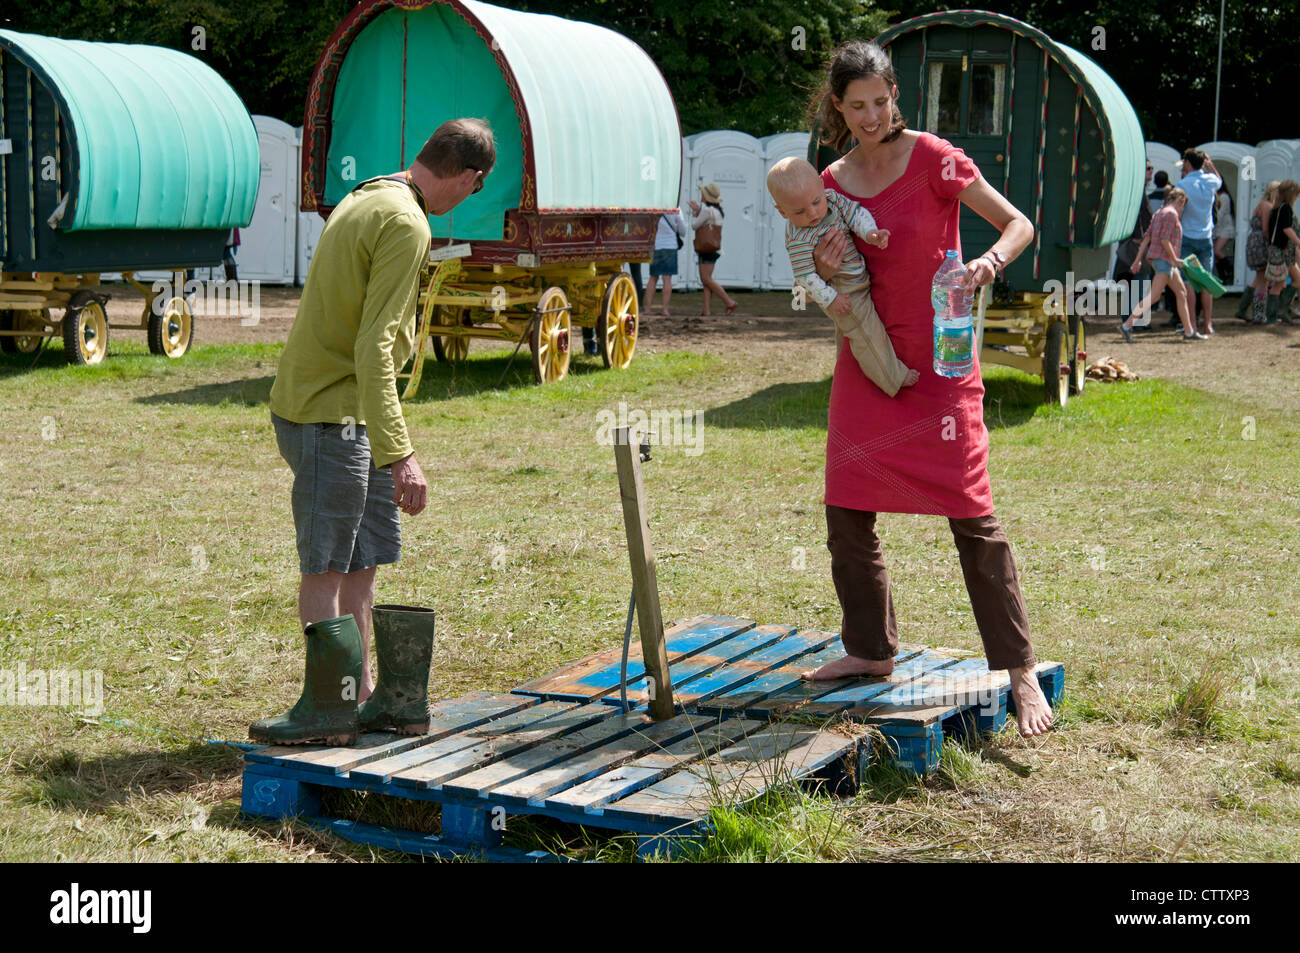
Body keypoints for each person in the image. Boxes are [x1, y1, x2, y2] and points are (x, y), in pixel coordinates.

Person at [798, 40, 1053, 737]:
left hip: (941, 358)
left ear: (894, 96)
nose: (873, 115)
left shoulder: (936, 157)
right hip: (871, 359)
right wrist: (824, 265)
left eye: (881, 101)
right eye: (858, 106)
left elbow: (1017, 224)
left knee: (974, 517)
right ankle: (869, 649)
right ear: (838, 108)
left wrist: (988, 263)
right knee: (846, 510)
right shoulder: (832, 180)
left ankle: (1020, 670)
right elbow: (823, 277)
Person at [254, 118, 495, 745]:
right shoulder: (407, 222)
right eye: (474, 190)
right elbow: (375, 346)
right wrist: (402, 456)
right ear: (468, 177)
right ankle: (330, 712)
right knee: (328, 567)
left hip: (338, 411)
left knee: (363, 561)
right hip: (329, 416)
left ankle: (378, 701)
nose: (468, 199)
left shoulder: (371, 195)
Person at [767, 156, 919, 395]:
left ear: (821, 185)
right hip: (842, 289)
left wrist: (870, 233)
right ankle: (893, 377)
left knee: (851, 336)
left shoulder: (833, 200)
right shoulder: (799, 239)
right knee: (867, 334)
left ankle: (848, 386)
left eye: (816, 202)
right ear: (782, 211)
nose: (812, 214)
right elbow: (805, 278)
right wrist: (830, 298)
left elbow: (855, 214)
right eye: (799, 211)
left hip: (858, 276)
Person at [1119, 188, 1203, 342]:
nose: (1182, 209)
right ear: (1179, 200)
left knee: (1182, 293)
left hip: (1162, 260)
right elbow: (1165, 240)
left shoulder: (1159, 213)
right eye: (1182, 205)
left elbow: (1147, 237)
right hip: (1165, 260)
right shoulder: (1171, 214)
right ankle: (1127, 325)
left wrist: (1138, 259)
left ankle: (1189, 331)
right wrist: (1175, 259)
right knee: (1154, 296)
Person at [1176, 148, 1222, 335]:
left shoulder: (1183, 184)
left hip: (1187, 235)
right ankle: (1208, 324)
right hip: (1206, 236)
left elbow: (1180, 210)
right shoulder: (1211, 181)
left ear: (1187, 163)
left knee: (1188, 282)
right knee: (1206, 281)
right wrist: (1210, 165)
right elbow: (1218, 179)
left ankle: (1192, 324)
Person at [689, 183, 737, 318]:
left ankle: (729, 301)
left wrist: (695, 213)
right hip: (714, 247)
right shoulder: (717, 211)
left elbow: (695, 225)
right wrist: (699, 211)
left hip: (706, 247)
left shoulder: (707, 211)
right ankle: (706, 310)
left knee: (706, 279)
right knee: (706, 280)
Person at [1238, 180, 1278, 323]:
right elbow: (1266, 228)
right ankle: (1259, 314)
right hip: (1261, 244)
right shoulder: (1267, 206)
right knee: (1263, 279)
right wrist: (1272, 245)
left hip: (1255, 243)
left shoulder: (1261, 204)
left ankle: (1242, 310)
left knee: (1259, 278)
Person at [1264, 179, 1300, 324]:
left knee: (1286, 281)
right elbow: (1286, 229)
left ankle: (1281, 310)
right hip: (1282, 251)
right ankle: (1276, 313)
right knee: (1281, 283)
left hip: (1283, 251)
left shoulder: (1277, 208)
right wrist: (1298, 241)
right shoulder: (1285, 208)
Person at [643, 209, 687, 320]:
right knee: (667, 278)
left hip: (655, 245)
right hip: (670, 245)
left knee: (653, 277)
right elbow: (683, 231)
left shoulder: (654, 207)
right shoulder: (676, 209)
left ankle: (647, 309)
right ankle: (665, 309)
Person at [1213, 183, 1235, 275]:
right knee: (1215, 254)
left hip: (1225, 228)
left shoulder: (1224, 197)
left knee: (1216, 250)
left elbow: (1220, 214)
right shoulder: (1219, 196)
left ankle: (1231, 270)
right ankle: (1223, 276)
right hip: (1219, 228)